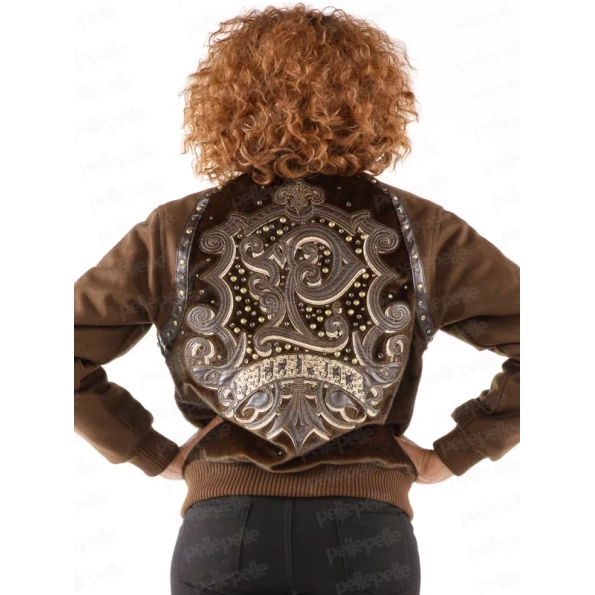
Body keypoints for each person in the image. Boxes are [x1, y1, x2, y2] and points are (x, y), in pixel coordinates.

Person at [74, 5, 520, 595]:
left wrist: (154, 453)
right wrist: (453, 454)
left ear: (225, 103)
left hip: (225, 540)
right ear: (375, 103)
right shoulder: (422, 229)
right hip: (366, 541)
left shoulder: (174, 230)